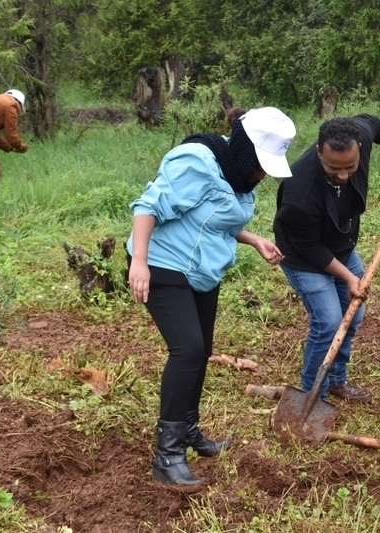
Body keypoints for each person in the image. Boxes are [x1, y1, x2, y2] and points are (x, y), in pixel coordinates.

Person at [127, 106, 296, 486]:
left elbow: (212, 216)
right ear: (245, 149)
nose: (260, 175)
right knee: (186, 348)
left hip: (201, 272)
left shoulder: (236, 173)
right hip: (162, 262)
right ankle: (167, 456)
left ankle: (188, 432)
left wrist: (253, 240)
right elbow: (147, 206)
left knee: (201, 350)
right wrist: (139, 261)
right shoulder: (198, 161)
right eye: (259, 165)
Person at [273, 115, 380, 402]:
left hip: (341, 246)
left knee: (354, 313)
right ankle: (312, 396)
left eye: (351, 166)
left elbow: (377, 124)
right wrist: (347, 277)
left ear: (358, 147)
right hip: (302, 256)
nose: (344, 175)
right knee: (329, 322)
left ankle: (336, 380)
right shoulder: (300, 190)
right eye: (334, 168)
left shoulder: (360, 135)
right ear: (319, 151)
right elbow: (309, 247)